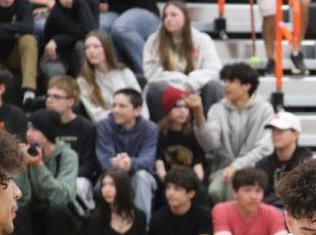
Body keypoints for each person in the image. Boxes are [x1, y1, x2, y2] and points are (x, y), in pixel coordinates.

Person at [3, 110, 81, 235]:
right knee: (18, 214)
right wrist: (22, 166)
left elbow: (63, 196)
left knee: (56, 211)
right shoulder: (25, 153)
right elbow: (22, 199)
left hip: (61, 219)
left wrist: (39, 167)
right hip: (33, 216)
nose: (29, 133)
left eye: (35, 129)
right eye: (28, 128)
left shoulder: (67, 156)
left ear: (48, 133)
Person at [193, 62, 275, 203]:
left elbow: (265, 148)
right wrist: (199, 117)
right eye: (224, 81)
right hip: (222, 171)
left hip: (255, 170)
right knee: (215, 190)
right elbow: (210, 144)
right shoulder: (217, 109)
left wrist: (237, 166)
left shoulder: (265, 110)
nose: (225, 85)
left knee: (236, 189)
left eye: (231, 81)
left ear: (246, 86)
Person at [143, 0, 225, 120]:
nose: (168, 19)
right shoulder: (154, 41)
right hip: (168, 89)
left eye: (173, 15)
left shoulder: (202, 39)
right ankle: (160, 133)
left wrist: (193, 82)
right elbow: (151, 73)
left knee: (214, 86)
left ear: (185, 18)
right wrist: (182, 81)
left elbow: (215, 69)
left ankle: (210, 131)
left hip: (196, 89)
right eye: (165, 15)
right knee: (155, 88)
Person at [95, 87, 159, 219]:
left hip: (139, 174)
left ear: (137, 110)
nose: (116, 110)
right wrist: (117, 163)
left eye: (122, 106)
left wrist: (130, 163)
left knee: (141, 177)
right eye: (114, 105)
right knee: (107, 183)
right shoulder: (104, 126)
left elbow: (147, 160)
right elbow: (104, 159)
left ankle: (142, 230)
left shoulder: (150, 128)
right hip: (111, 173)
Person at [44, 75, 98, 209]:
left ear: (71, 101)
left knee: (79, 185)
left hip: (76, 177)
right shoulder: (41, 125)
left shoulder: (87, 127)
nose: (49, 100)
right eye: (48, 96)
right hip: (46, 177)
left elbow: (89, 165)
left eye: (56, 97)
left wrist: (64, 178)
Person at [39, 0, 98, 80]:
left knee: (82, 45)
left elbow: (91, 34)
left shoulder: (92, 4)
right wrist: (57, 41)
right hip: (56, 53)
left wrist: (80, 4)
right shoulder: (59, 4)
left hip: (77, 52)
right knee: (57, 73)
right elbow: (48, 34)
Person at [76, 30, 144, 124]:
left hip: (135, 124)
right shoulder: (83, 81)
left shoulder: (124, 72)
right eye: (87, 48)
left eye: (96, 46)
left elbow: (141, 104)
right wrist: (126, 112)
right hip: (109, 129)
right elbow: (97, 117)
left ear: (106, 48)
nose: (91, 51)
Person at [254, 111, 313, 207]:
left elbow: (303, 197)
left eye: (280, 130)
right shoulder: (262, 164)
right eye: (273, 130)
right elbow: (258, 196)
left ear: (295, 134)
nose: (275, 134)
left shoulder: (306, 164)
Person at [154, 86, 207, 186]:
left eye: (186, 107)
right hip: (167, 183)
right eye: (177, 107)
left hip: (190, 183)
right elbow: (160, 168)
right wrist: (172, 186)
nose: (182, 111)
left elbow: (198, 166)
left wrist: (194, 185)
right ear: (168, 110)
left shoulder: (193, 134)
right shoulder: (158, 134)